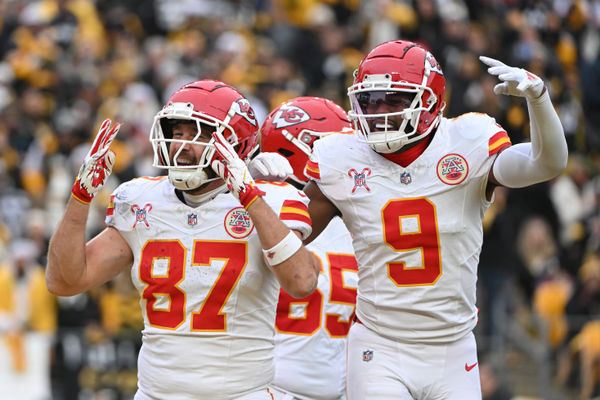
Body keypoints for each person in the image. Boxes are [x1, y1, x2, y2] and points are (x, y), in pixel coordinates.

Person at [302, 40, 568, 399]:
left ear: (429, 101)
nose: (378, 111)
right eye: (369, 100)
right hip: (380, 345)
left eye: (393, 100)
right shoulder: (340, 157)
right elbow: (288, 239)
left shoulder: (467, 142)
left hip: (453, 348)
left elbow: (546, 164)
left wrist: (539, 100)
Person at [46, 79, 320, 400]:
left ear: (236, 143)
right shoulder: (142, 200)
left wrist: (249, 196)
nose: (182, 145)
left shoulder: (270, 199)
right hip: (155, 394)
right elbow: (64, 281)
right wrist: (81, 196)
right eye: (177, 133)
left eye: (200, 134)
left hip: (242, 394)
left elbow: (302, 282)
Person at [260, 96, 358, 400]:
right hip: (264, 389)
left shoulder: (360, 218)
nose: (353, 155)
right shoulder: (256, 215)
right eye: (341, 145)